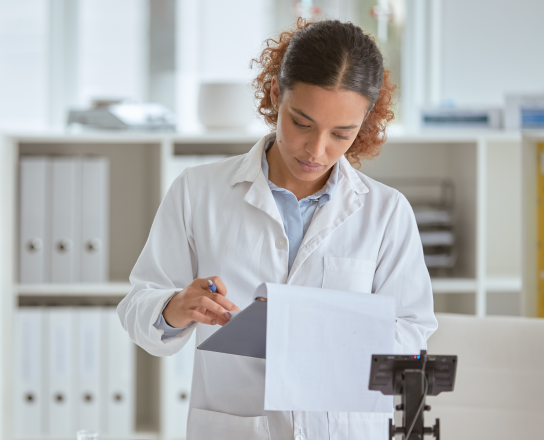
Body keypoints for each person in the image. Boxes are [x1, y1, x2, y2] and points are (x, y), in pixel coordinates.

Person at [117, 19, 438, 440]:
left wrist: (320, 333)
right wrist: (174, 308)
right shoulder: (198, 191)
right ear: (275, 94)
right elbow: (138, 304)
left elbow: (413, 334)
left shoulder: (387, 212)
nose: (316, 150)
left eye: (342, 134)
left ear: (366, 122)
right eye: (301, 123)